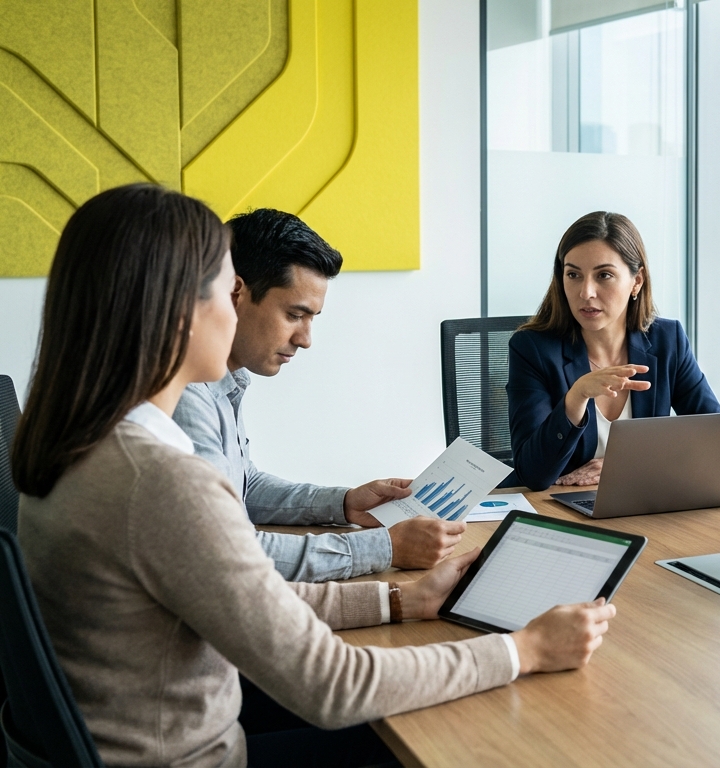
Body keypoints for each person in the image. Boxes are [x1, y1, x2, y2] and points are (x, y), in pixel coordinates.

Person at [13, 184, 617, 768]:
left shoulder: (86, 441)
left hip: (164, 732)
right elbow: (332, 685)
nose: (239, 304)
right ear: (176, 311)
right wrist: (524, 649)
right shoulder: (158, 481)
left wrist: (400, 601)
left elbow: (248, 597)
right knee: (470, 740)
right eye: (229, 291)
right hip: (197, 753)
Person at [172, 208, 459, 583]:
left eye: (312, 319)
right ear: (235, 293)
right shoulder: (185, 396)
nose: (305, 340)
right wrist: (384, 548)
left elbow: (243, 485)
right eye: (294, 315)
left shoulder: (226, 379)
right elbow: (227, 552)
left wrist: (343, 504)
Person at [508, 211, 720, 491]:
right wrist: (576, 397)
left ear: (637, 281)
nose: (586, 292)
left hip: (644, 498)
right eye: (573, 274)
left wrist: (627, 466)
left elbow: (717, 440)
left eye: (604, 275)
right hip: (561, 507)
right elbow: (533, 474)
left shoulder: (667, 340)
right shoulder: (532, 349)